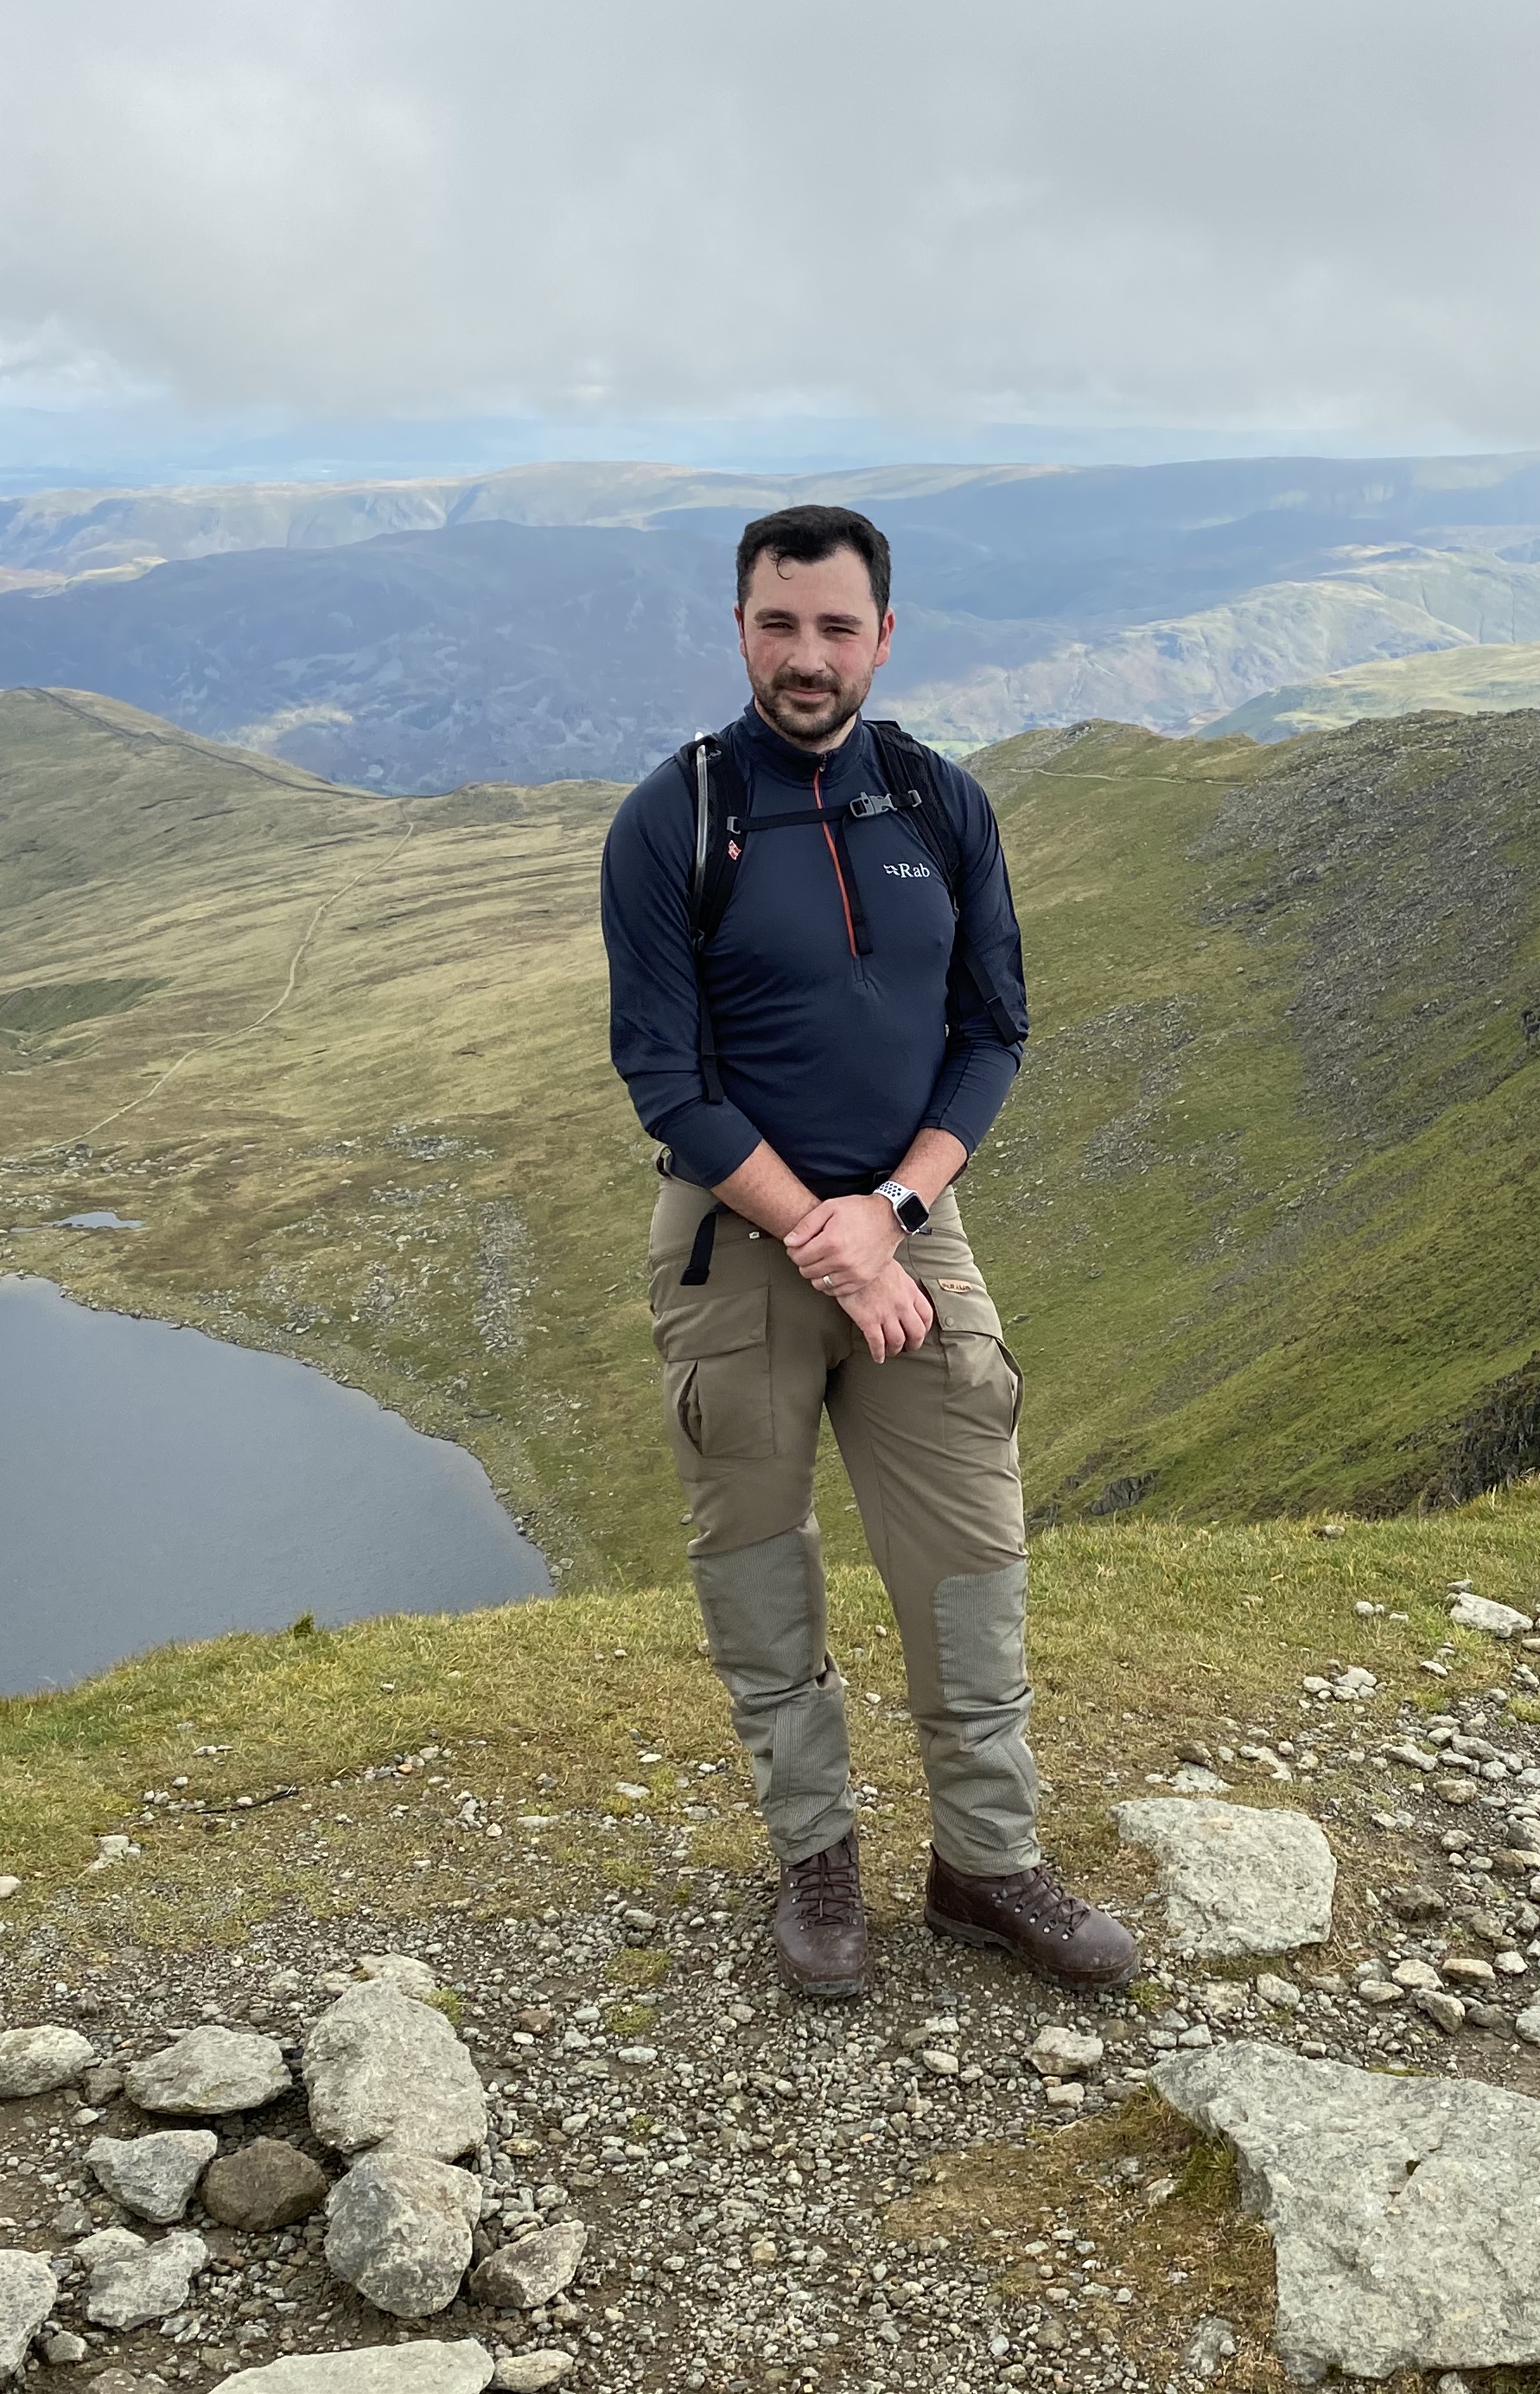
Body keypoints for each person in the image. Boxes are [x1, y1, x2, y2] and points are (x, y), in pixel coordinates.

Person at [597, 502, 1138, 2002]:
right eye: (780, 624)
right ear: (741, 630)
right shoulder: (675, 818)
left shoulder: (936, 802)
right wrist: (821, 1235)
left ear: (884, 637)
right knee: (761, 1581)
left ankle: (985, 1866)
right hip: (733, 1246)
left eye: (838, 628)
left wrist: (890, 1216)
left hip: (911, 1229)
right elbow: (665, 1075)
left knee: (971, 1560)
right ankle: (816, 1863)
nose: (808, 657)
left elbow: (993, 1032)